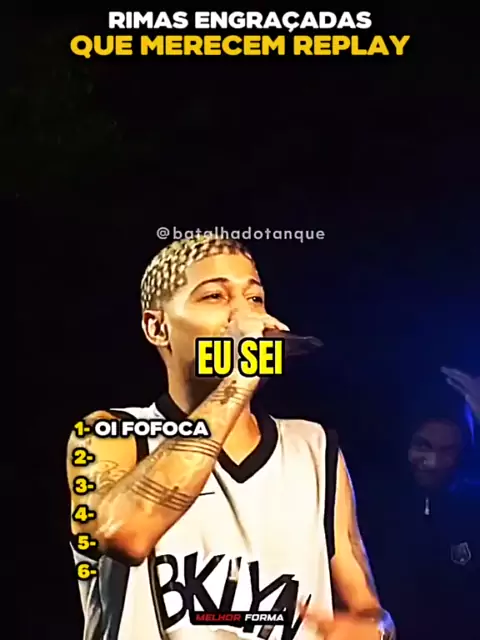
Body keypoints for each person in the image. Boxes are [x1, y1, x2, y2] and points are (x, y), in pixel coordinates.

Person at [67, 236, 395, 640]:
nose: (244, 315)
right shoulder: (109, 432)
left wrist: (373, 631)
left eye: (254, 299)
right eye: (215, 296)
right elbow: (125, 534)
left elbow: (370, 613)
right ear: (157, 327)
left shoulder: (314, 447)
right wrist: (242, 374)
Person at [366, 414, 479, 640]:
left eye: (447, 450)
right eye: (423, 446)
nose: (433, 461)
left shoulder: (473, 506)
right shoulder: (372, 505)